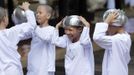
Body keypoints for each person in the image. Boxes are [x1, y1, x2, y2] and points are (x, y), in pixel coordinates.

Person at [0, 2, 36, 75]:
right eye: (7, 16)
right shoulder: (10, 33)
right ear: (4, 19)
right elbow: (32, 26)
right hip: (12, 71)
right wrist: (27, 10)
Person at [93, 9, 131, 75]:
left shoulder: (117, 40)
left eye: (109, 26)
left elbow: (97, 37)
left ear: (116, 26)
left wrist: (107, 21)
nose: (107, 29)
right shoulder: (125, 37)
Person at [26, 4, 56, 75]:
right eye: (36, 13)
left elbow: (45, 37)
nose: (37, 15)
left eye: (40, 13)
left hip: (44, 68)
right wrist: (29, 47)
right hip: (33, 66)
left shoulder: (52, 30)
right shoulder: (35, 29)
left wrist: (28, 11)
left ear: (48, 16)